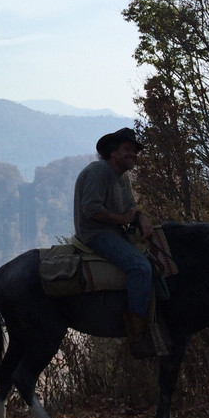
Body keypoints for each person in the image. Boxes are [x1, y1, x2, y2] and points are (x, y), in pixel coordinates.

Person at [73, 127, 157, 358]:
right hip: (96, 233)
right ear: (112, 152)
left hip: (114, 232)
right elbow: (91, 208)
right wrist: (122, 219)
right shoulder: (100, 171)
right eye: (127, 149)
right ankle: (137, 337)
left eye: (135, 151)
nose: (133, 154)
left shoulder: (122, 178)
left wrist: (141, 216)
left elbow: (131, 208)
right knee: (140, 267)